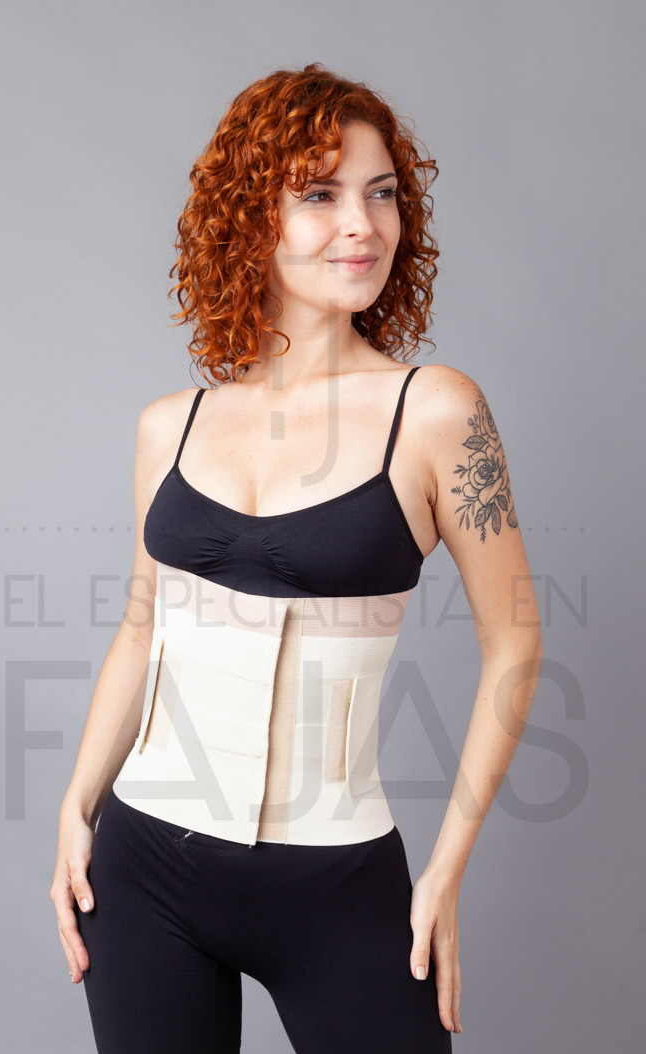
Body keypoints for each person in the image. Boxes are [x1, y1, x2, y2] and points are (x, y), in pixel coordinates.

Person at [50, 62, 543, 1053]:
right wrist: (75, 805)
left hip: (337, 881)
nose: (362, 225)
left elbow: (515, 645)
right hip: (144, 869)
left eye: (381, 194)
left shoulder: (435, 412)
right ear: (250, 220)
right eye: (320, 195)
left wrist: (446, 868)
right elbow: (142, 629)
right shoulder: (171, 426)